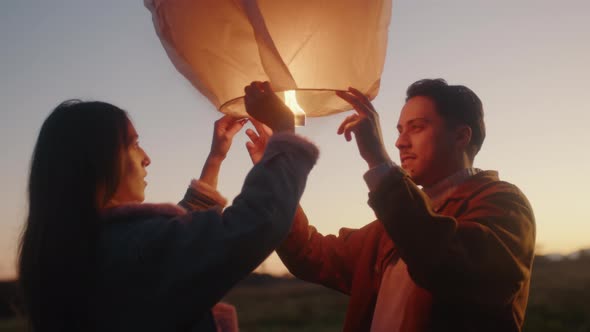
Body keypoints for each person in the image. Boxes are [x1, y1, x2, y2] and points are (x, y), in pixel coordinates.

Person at [17, 81, 319, 332]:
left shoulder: (80, 247)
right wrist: (283, 131)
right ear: (97, 161)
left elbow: (174, 240)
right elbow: (258, 222)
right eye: (134, 144)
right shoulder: (132, 248)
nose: (146, 157)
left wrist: (216, 158)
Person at [245, 79, 536, 331]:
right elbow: (309, 254)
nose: (399, 143)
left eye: (417, 128)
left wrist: (379, 162)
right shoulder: (389, 229)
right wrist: (277, 170)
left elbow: (450, 266)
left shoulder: (504, 204)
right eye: (398, 130)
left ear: (461, 136)